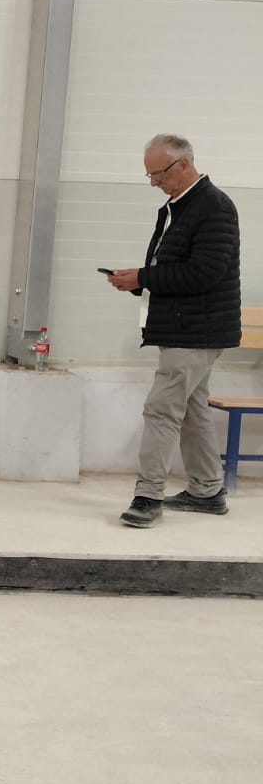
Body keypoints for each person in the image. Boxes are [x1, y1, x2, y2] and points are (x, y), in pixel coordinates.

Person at [106, 133, 240, 528]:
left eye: (159, 174)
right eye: (149, 175)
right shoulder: (179, 207)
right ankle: (207, 491)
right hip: (186, 326)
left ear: (183, 164)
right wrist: (138, 282)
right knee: (194, 410)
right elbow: (174, 269)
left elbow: (205, 272)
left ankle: (148, 496)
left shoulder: (213, 206)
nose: (154, 182)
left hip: (196, 331)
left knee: (161, 409)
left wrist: (143, 277)